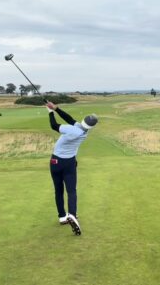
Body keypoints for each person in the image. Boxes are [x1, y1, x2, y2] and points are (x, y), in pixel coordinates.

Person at [46, 101, 98, 235]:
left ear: (83, 120)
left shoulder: (73, 129)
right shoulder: (84, 132)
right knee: (71, 190)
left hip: (55, 162)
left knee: (58, 190)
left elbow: (54, 125)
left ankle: (62, 217)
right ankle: (72, 214)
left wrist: (50, 112)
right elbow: (69, 119)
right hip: (69, 163)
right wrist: (56, 108)